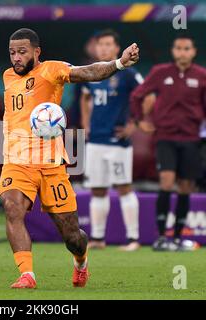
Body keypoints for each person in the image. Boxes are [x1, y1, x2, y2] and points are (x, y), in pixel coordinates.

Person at [0, 28, 139, 289]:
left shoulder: (52, 70)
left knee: (72, 235)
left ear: (36, 52)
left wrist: (118, 63)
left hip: (51, 164)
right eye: (12, 53)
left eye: (22, 52)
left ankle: (81, 260)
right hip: (16, 160)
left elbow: (89, 72)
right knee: (11, 206)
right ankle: (27, 274)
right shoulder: (7, 77)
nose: (16, 58)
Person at [130, 33, 206, 251]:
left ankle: (179, 238)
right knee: (167, 181)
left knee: (186, 186)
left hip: (191, 139)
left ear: (194, 51)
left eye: (187, 48)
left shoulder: (203, 76)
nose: (183, 52)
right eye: (179, 48)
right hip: (165, 138)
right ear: (173, 51)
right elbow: (137, 96)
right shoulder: (160, 73)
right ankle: (161, 237)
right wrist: (139, 121)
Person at [80, 29, 143, 251]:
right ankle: (97, 238)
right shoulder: (91, 72)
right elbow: (85, 97)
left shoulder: (128, 74)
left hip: (117, 141)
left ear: (117, 48)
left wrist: (134, 123)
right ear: (96, 48)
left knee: (124, 187)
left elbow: (147, 96)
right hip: (96, 139)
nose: (104, 48)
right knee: (97, 189)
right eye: (101, 44)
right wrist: (86, 123)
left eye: (108, 44)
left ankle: (132, 239)